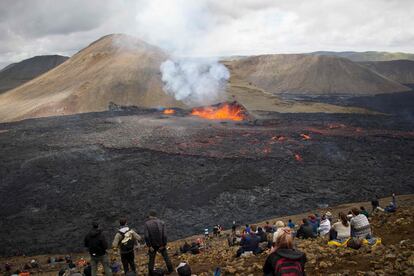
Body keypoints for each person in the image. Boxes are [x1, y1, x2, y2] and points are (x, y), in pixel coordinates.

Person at [144, 210, 173, 275]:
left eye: (149, 216)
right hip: (161, 245)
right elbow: (165, 235)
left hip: (152, 246)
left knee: (151, 260)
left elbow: (146, 236)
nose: (148, 217)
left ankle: (150, 273)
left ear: (151, 216)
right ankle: (171, 270)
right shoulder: (162, 223)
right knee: (166, 258)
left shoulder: (147, 224)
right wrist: (164, 244)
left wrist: (149, 246)